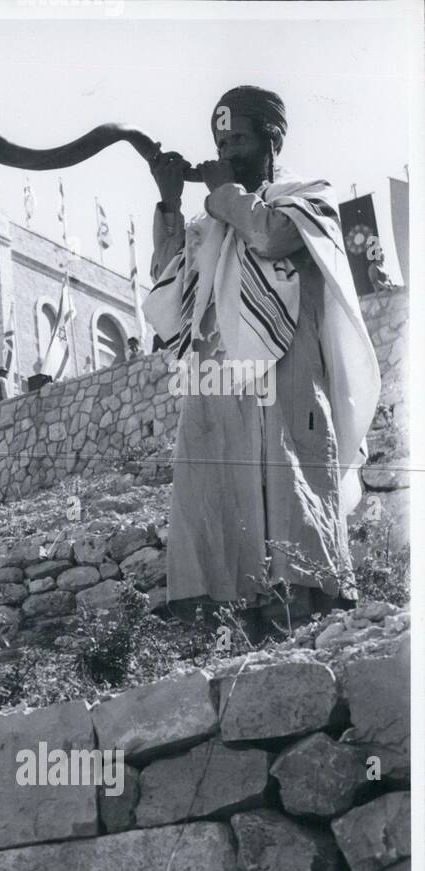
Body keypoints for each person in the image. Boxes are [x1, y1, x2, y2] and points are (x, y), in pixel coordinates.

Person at [144, 85, 380, 630]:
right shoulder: (211, 224)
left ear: (272, 140)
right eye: (221, 142)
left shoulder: (306, 198)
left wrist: (223, 193)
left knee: (289, 494)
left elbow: (272, 238)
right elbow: (168, 290)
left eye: (240, 140)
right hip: (218, 386)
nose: (228, 153)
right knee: (217, 500)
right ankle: (235, 630)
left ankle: (307, 629)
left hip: (288, 381)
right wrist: (171, 203)